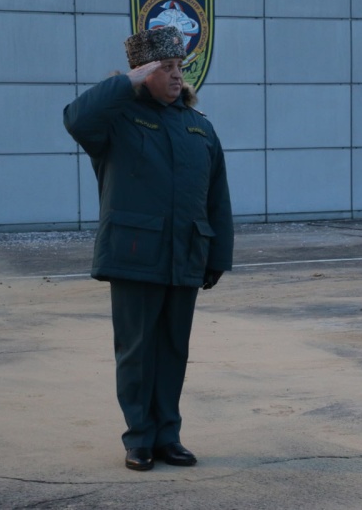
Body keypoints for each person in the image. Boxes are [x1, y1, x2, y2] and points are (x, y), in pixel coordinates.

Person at [63, 25, 234, 471]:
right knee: (137, 351)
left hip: (186, 254)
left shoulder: (200, 128)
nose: (177, 76)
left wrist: (217, 257)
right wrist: (129, 81)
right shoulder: (116, 121)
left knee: (174, 349)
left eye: (180, 68)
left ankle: (167, 437)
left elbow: (217, 198)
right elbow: (76, 119)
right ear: (143, 73)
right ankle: (138, 438)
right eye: (166, 68)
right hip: (135, 255)